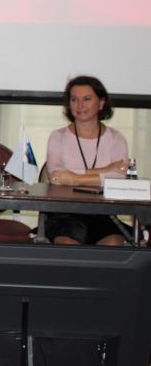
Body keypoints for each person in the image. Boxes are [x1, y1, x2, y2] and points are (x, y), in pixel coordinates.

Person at [46, 75, 128, 245]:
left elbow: (120, 176)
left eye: (87, 99)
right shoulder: (58, 136)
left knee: (114, 242)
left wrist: (75, 179)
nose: (80, 105)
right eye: (74, 99)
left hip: (104, 213)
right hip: (65, 213)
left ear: (101, 103)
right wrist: (105, 170)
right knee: (67, 242)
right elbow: (56, 176)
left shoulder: (116, 138)